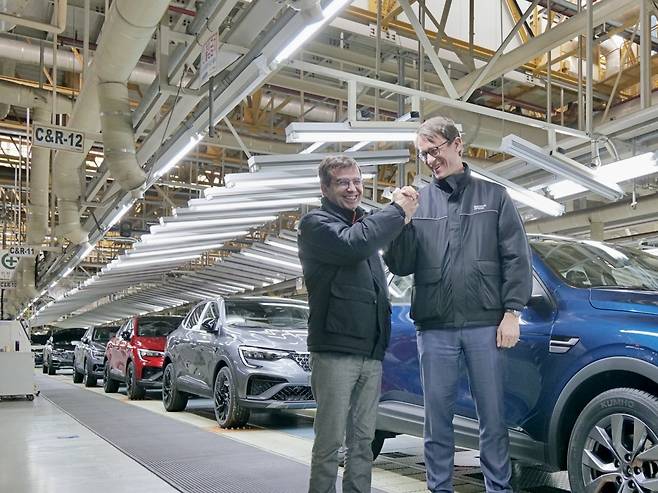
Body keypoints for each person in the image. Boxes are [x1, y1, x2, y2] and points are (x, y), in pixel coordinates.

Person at [384, 116, 532, 493]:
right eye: (423, 155)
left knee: (492, 416)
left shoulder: (494, 196)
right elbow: (400, 265)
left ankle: (499, 488)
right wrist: (401, 219)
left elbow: (516, 256)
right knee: (437, 417)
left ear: (457, 144)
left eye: (434, 150)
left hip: (485, 324)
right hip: (434, 327)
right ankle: (440, 488)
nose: (431, 160)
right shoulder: (419, 202)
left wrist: (512, 312)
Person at [298, 155, 418, 493]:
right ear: (325, 188)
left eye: (356, 181)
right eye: (342, 182)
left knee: (363, 442)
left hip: (371, 350)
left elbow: (402, 263)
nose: (352, 188)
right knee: (329, 443)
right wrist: (395, 211)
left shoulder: (366, 223)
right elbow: (355, 244)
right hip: (335, 349)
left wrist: (405, 223)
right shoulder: (316, 224)